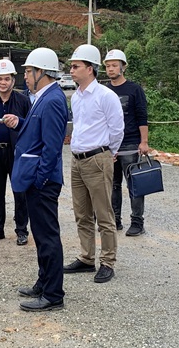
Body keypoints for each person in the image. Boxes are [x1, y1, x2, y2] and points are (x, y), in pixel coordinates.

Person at [1, 47, 69, 312]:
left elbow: (52, 147)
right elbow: (37, 131)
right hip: (38, 180)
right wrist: (20, 123)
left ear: (42, 72)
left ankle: (53, 294)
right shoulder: (42, 97)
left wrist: (40, 180)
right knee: (41, 235)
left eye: (29, 71)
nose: (25, 76)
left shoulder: (52, 100)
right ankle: (44, 282)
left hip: (43, 182)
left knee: (47, 236)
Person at [63, 44, 124, 284]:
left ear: (90, 69)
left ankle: (107, 261)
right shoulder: (76, 97)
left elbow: (117, 129)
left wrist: (108, 154)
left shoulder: (106, 96)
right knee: (82, 213)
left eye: (76, 66)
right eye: (71, 66)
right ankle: (87, 257)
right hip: (77, 160)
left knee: (104, 214)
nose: (72, 70)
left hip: (98, 158)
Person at [0, 59, 32, 245]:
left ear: (13, 80)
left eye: (6, 79)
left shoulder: (23, 101)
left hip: (16, 153)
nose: (3, 82)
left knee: (20, 192)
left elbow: (30, 126)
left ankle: (21, 230)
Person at [103, 49, 150, 236]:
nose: (111, 69)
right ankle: (115, 220)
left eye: (114, 65)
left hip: (130, 143)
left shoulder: (134, 89)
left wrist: (144, 141)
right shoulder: (104, 90)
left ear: (123, 67)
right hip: (109, 145)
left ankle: (137, 222)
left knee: (134, 184)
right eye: (108, 66)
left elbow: (142, 116)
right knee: (112, 184)